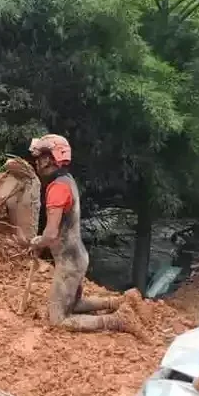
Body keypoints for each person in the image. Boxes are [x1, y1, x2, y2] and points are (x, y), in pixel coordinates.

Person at [27, 134, 144, 336]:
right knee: (75, 303)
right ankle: (118, 303)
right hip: (77, 258)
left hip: (68, 264)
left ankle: (116, 320)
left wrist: (38, 242)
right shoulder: (67, 181)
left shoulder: (56, 190)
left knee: (58, 319)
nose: (36, 162)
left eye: (39, 157)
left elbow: (51, 233)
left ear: (49, 159)